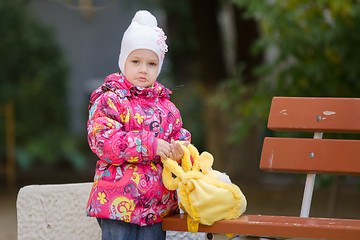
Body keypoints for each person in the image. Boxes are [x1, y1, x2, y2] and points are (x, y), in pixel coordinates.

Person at [85, 10, 191, 240]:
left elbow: (181, 137)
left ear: (159, 67)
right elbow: (103, 140)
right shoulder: (110, 99)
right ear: (123, 61)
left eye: (151, 63)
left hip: (157, 206)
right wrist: (150, 145)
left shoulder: (167, 108)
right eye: (136, 61)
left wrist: (179, 150)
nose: (143, 69)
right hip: (117, 203)